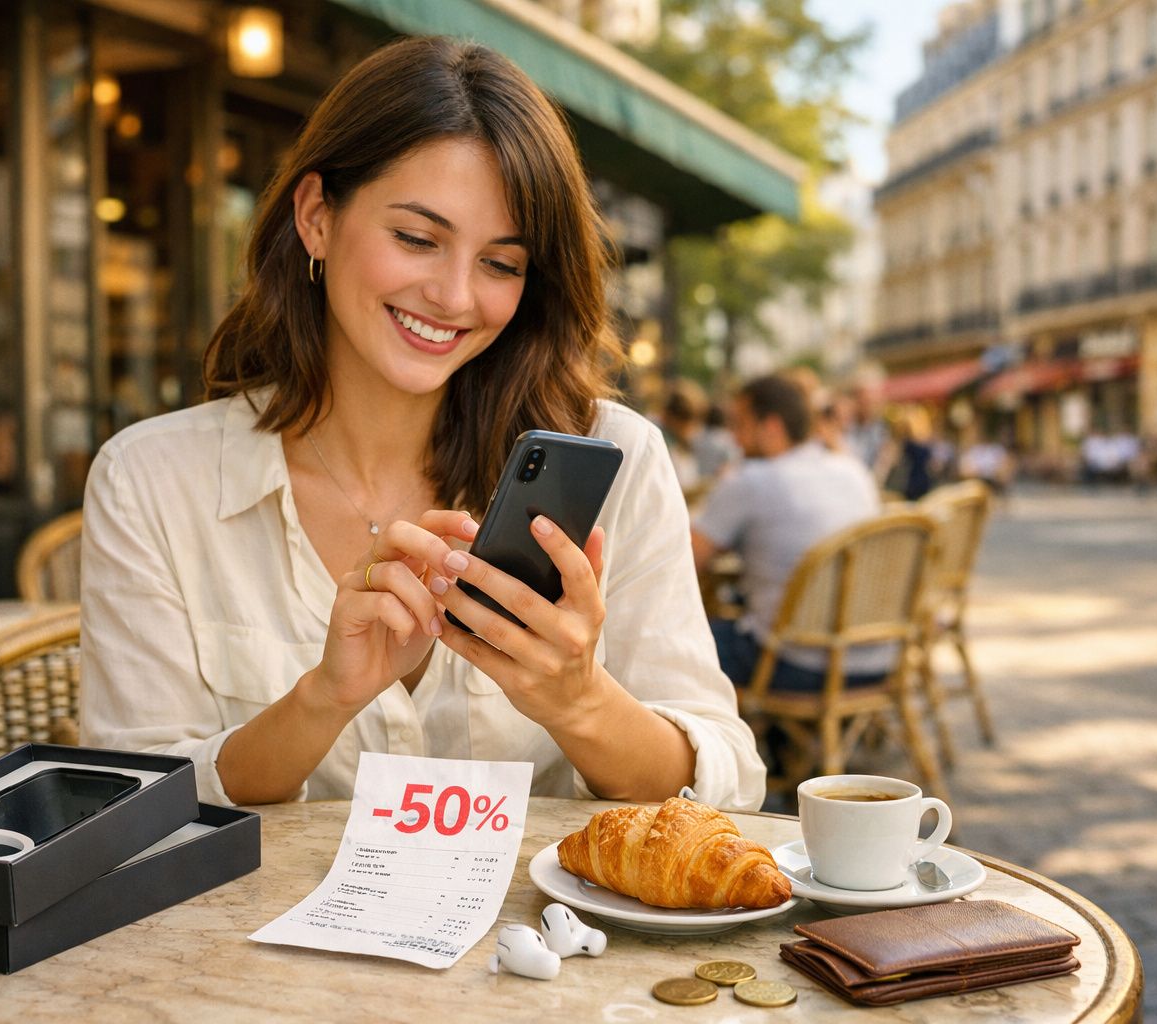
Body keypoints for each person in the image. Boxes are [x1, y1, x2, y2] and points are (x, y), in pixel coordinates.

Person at [78, 37, 764, 811]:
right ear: (316, 218)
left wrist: (579, 701)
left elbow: (726, 784)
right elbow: (125, 805)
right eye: (416, 239)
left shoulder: (616, 461)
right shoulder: (151, 480)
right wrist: (322, 700)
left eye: (501, 264)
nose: (455, 296)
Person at [691, 374, 886, 693]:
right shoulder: (853, 470)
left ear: (771, 427)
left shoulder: (750, 480)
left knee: (673, 646)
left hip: (799, 666)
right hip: (879, 658)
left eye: (740, 425)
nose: (734, 439)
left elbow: (681, 561)